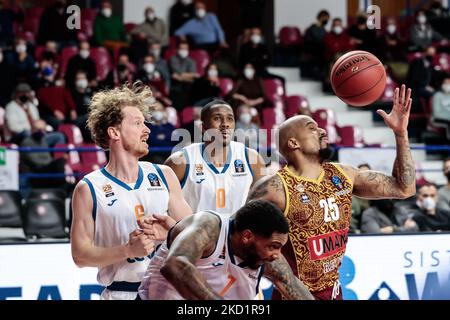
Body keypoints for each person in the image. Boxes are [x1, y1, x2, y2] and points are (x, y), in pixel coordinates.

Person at [247, 84, 416, 300]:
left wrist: (401, 133)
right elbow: (244, 240)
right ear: (293, 142)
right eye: (312, 128)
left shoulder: (344, 174)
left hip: (334, 292)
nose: (322, 130)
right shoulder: (274, 188)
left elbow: (404, 188)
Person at [70, 83, 193, 300]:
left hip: (170, 291)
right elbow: (80, 255)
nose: (147, 129)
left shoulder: (164, 175)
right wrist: (127, 250)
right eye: (138, 123)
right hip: (121, 293)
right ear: (114, 132)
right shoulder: (88, 188)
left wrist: (171, 233)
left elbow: (199, 236)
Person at [138, 199, 314, 300]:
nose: (277, 255)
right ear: (247, 236)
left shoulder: (268, 258)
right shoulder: (209, 226)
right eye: (273, 246)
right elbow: (174, 266)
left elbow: (297, 291)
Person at [165, 99, 266, 215]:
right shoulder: (181, 161)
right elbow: (163, 206)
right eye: (217, 118)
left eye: (230, 119)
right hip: (195, 232)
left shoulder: (252, 159)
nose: (225, 124)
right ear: (203, 128)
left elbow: (262, 205)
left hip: (238, 231)